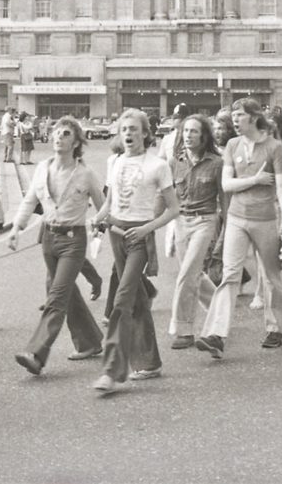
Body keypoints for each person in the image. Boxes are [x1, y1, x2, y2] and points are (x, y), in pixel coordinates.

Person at [196, 98, 282, 359]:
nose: (235, 120)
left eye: (240, 115)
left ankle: (276, 328)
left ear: (253, 117)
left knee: (272, 275)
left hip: (265, 219)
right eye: (234, 116)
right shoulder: (232, 145)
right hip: (237, 218)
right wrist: (255, 180)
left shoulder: (274, 147)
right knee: (230, 275)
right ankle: (216, 335)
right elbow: (227, 185)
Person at [90, 109, 178, 394]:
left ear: (145, 133)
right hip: (116, 234)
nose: (128, 133)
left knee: (123, 299)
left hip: (139, 236)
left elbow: (174, 209)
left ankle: (113, 371)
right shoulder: (114, 161)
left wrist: (147, 228)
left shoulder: (158, 165)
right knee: (137, 301)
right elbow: (110, 202)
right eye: (124, 129)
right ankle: (150, 362)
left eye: (134, 129)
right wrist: (97, 219)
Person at [9, 116, 105, 375]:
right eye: (56, 133)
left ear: (76, 142)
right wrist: (17, 228)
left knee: (57, 295)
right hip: (48, 238)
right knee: (67, 293)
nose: (58, 137)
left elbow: (102, 202)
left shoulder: (85, 174)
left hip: (73, 241)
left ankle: (37, 353)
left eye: (65, 134)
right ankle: (90, 342)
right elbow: (30, 200)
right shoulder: (42, 168)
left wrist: (99, 223)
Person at [167, 115, 222, 349]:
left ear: (204, 136)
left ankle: (184, 330)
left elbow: (225, 199)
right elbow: (168, 197)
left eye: (194, 131)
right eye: (186, 131)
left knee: (186, 275)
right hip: (181, 221)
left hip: (205, 221)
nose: (188, 135)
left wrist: (226, 231)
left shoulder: (216, 163)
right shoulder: (174, 162)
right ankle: (220, 314)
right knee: (194, 275)